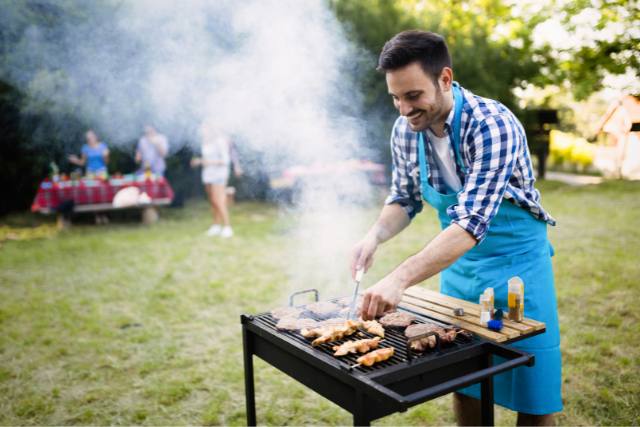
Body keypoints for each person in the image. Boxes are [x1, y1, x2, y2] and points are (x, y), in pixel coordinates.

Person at [351, 31, 561, 426]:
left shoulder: (492, 124)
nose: (403, 109)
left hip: (517, 266)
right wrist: (373, 236)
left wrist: (399, 279)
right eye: (395, 97)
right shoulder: (405, 130)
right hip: (459, 268)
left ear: (444, 79)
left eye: (413, 96)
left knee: (533, 389)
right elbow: (404, 198)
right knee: (465, 380)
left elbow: (469, 223)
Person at [191, 124, 242, 238]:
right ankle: (216, 226)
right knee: (213, 201)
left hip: (219, 174)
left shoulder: (220, 141)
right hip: (207, 174)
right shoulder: (205, 142)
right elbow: (207, 158)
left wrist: (207, 162)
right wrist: (199, 161)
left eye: (205, 129)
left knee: (219, 200)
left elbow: (225, 161)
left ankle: (228, 227)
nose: (202, 131)